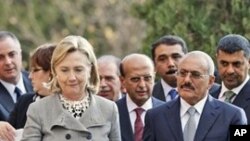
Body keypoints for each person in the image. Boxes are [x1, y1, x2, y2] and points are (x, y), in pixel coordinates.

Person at [21, 35, 121, 141]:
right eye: (64, 70)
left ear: (90, 70)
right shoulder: (38, 110)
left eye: (78, 70)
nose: (72, 78)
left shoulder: (109, 109)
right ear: (55, 72)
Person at [143, 51, 247, 141]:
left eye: (195, 75)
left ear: (210, 82)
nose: (187, 80)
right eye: (182, 73)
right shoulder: (155, 117)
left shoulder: (234, 116)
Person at [0, 43, 56, 141]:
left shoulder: (71, 105)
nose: (30, 76)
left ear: (52, 72)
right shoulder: (24, 101)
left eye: (35, 70)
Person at [116, 53, 164, 141]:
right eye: (135, 79)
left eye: (147, 78)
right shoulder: (112, 111)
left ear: (154, 78)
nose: (142, 85)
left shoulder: (168, 112)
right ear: (123, 81)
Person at [210, 34, 250, 123]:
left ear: (249, 62)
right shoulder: (207, 96)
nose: (230, 71)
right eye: (224, 63)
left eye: (236, 64)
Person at [0, 31, 33, 121]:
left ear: (20, 55)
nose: (8, 62)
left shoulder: (38, 82)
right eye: (0, 57)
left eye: (12, 54)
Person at [151, 35, 188, 102]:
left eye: (176, 57)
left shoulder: (208, 92)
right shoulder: (148, 96)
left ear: (187, 59)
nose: (170, 64)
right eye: (162, 59)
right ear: (154, 65)